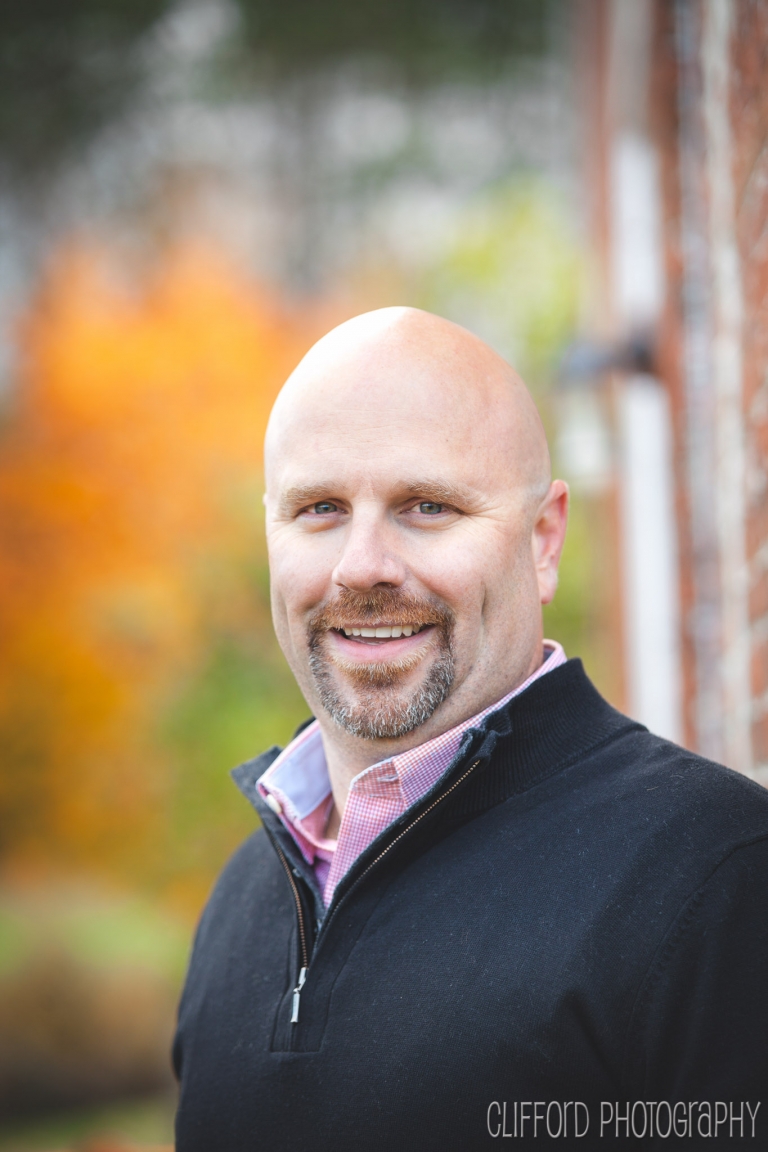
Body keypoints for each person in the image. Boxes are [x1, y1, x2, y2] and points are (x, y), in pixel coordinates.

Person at [173, 308, 768, 1150]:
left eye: (427, 506)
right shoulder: (241, 901)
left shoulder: (714, 874)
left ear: (544, 541)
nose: (361, 566)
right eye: (320, 508)